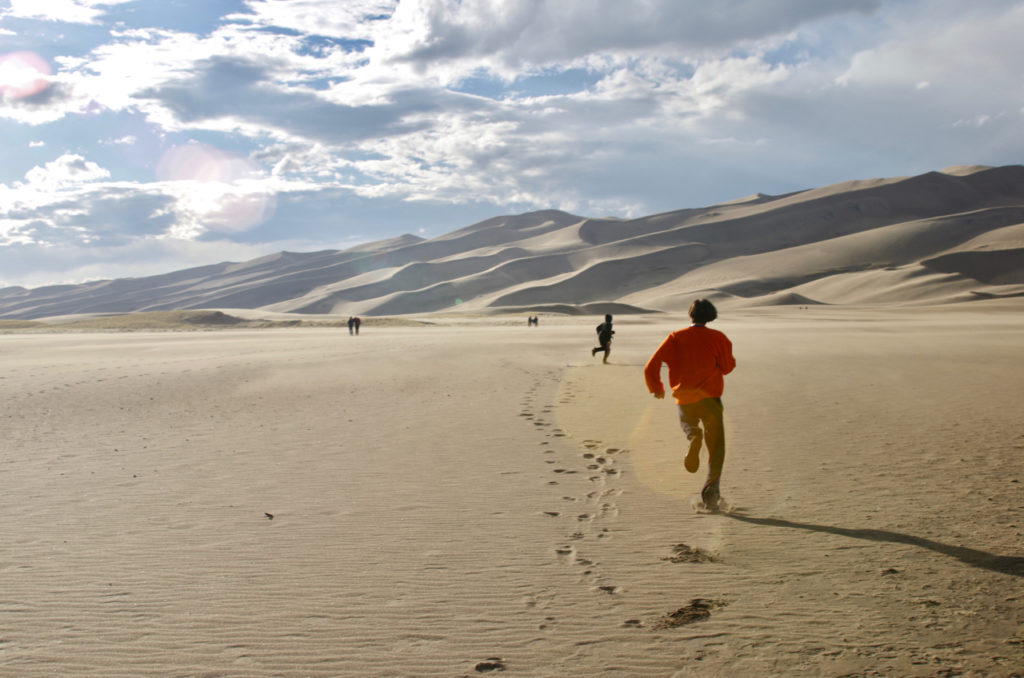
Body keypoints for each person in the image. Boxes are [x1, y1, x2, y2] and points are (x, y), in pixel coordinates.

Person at [643, 299, 735, 510]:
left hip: (684, 397)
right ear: (710, 315)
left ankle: (694, 437)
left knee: (689, 426)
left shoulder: (675, 337)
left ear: (690, 315)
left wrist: (656, 388)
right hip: (711, 399)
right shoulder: (719, 338)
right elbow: (728, 367)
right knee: (717, 445)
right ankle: (712, 487)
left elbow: (651, 366)